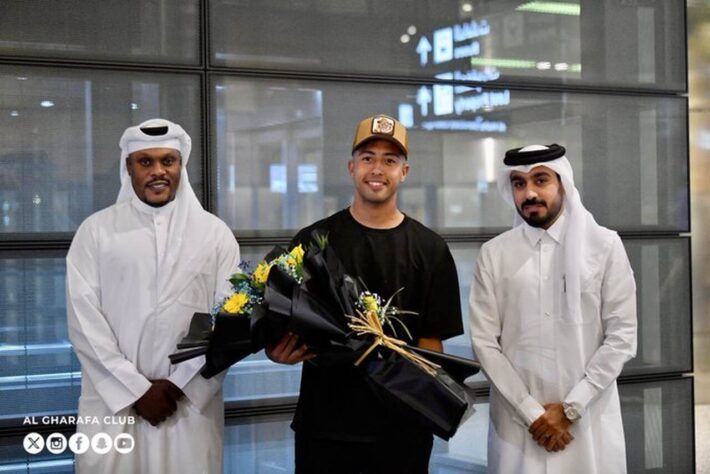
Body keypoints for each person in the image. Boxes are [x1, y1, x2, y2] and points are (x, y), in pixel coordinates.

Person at [267, 114, 464, 473]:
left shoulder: (430, 249)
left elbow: (432, 344)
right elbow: (285, 325)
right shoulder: (313, 242)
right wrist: (277, 351)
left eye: (390, 160)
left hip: (401, 431)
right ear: (351, 167)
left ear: (404, 171)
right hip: (325, 428)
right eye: (368, 157)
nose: (377, 169)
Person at [66, 118, 240, 473]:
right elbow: (84, 322)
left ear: (181, 165)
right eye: (146, 162)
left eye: (168, 161)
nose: (158, 171)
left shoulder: (215, 235)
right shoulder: (96, 233)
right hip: (113, 407)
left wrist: (178, 386)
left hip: (189, 406)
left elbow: (227, 320)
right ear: (128, 167)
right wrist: (135, 390)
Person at [469, 144, 638, 473]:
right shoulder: (494, 254)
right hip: (518, 428)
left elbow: (622, 335)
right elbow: (485, 343)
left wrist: (572, 407)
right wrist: (532, 412)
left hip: (588, 423)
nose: (529, 193)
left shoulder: (604, 246)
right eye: (518, 183)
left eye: (540, 180)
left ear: (562, 183)